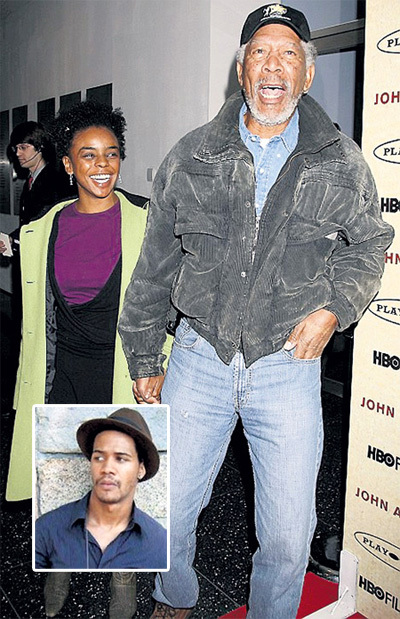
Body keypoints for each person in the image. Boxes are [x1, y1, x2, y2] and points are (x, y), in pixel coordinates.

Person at [118, 4, 394, 618]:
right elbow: (155, 263)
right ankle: (174, 596)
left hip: (287, 364)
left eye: (289, 54)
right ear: (241, 68)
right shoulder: (193, 155)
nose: (273, 66)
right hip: (199, 356)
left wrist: (335, 308)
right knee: (168, 507)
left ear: (307, 73)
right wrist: (144, 356)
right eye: (260, 53)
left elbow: (370, 243)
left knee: (289, 537)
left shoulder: (340, 160)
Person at [6, 99, 171, 618]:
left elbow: (169, 301)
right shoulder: (44, 229)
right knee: (59, 479)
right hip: (60, 374)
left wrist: (157, 362)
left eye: (112, 154)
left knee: (120, 480)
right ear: (68, 164)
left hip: (121, 373)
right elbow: (36, 319)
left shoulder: (148, 223)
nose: (102, 165)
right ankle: (60, 563)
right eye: (88, 155)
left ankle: (122, 574)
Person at [35, 408, 168, 570]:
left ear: (141, 469)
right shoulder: (47, 529)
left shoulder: (159, 544)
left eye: (121, 459)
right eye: (98, 457)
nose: (107, 468)